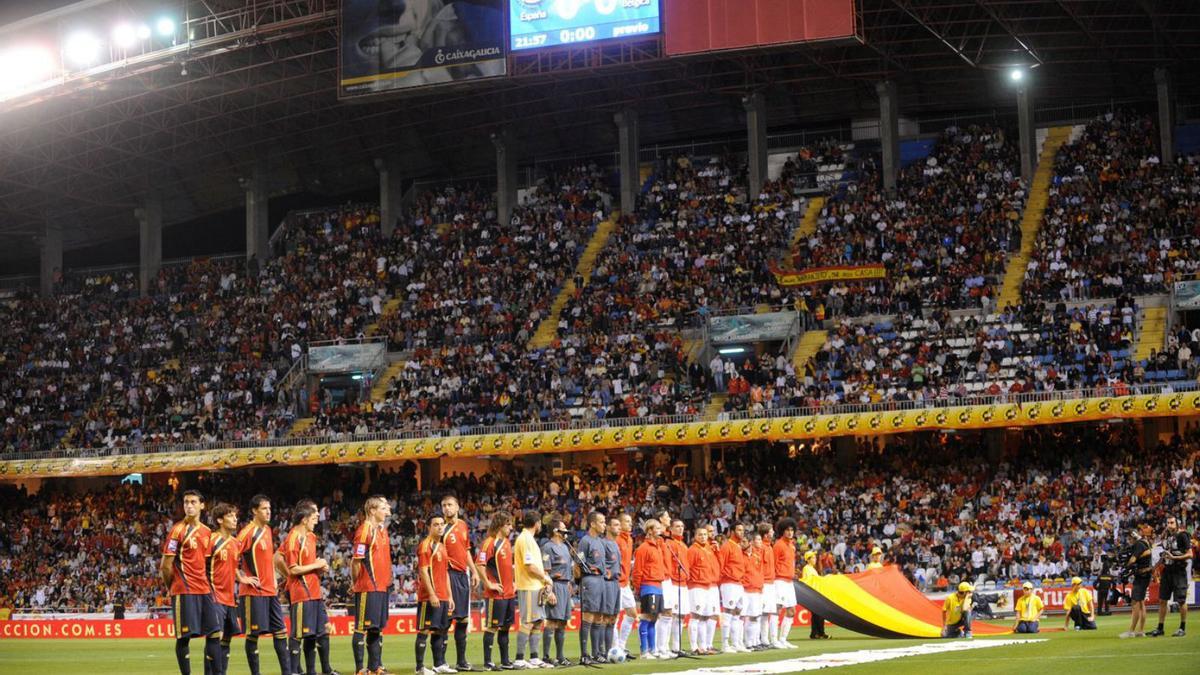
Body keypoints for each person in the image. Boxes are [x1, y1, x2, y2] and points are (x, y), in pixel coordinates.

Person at [161, 489, 221, 675]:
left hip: (204, 591)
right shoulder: (177, 530)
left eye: (193, 502)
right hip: (184, 590)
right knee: (184, 637)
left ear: (202, 505)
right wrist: (171, 586)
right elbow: (166, 565)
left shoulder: (207, 532)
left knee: (214, 634)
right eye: (186, 502)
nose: (189, 505)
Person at [236, 494, 291, 675]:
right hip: (253, 592)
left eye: (269, 508)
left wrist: (274, 578)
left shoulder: (267, 530)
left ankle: (287, 672)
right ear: (254, 511)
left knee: (281, 631)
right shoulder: (247, 532)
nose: (269, 512)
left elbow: (267, 559)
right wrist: (241, 577)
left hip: (270, 591)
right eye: (264, 509)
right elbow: (229, 556)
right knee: (253, 635)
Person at [280, 501, 334, 675]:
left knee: (316, 633)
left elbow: (308, 564)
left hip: (315, 592)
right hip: (301, 592)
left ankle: (313, 671)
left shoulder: (311, 537)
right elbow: (293, 568)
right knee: (298, 635)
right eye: (313, 517)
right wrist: (315, 565)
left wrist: (319, 567)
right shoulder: (292, 538)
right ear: (304, 519)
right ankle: (293, 672)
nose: (316, 520)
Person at [441, 495, 484, 672]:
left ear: (457, 507)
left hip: (462, 575)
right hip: (448, 574)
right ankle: (441, 663)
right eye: (444, 505)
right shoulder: (441, 529)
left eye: (450, 505)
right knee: (446, 620)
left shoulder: (463, 526)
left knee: (463, 619)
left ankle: (461, 661)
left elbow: (466, 551)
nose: (446, 508)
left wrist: (474, 571)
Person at [351, 495, 393, 675]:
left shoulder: (382, 530)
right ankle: (360, 669)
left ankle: (375, 667)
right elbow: (356, 561)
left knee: (377, 627)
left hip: (382, 587)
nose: (386, 512)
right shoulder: (364, 531)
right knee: (362, 627)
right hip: (368, 586)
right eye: (383, 508)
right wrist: (355, 582)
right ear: (372, 510)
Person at [208, 503, 249, 675]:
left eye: (235, 515)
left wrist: (241, 577)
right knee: (215, 636)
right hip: (213, 595)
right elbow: (201, 566)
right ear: (219, 520)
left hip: (230, 597)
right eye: (230, 516)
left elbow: (232, 566)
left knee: (227, 638)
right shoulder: (211, 540)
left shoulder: (235, 543)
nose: (235, 519)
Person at [513, 509, 553, 669]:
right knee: (528, 622)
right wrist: (545, 578)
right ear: (536, 523)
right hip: (529, 586)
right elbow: (530, 566)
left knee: (537, 622)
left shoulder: (528, 538)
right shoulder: (525, 539)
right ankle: (519, 659)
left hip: (535, 586)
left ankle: (534, 657)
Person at [478, 511, 516, 671]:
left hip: (509, 593)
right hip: (496, 594)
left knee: (506, 627)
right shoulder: (489, 543)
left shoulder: (507, 543)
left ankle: (505, 661)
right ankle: (488, 662)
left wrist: (513, 582)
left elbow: (507, 567)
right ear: (500, 525)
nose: (511, 527)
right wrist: (488, 583)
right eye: (508, 524)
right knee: (492, 627)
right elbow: (480, 564)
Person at [415, 515, 453, 675]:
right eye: (435, 524)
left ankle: (439, 664)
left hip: (443, 596)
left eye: (441, 524)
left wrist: (450, 596)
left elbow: (445, 573)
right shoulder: (425, 546)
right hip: (429, 597)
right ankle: (420, 667)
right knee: (424, 630)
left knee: (441, 630)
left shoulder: (442, 546)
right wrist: (432, 594)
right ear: (429, 527)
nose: (439, 527)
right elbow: (423, 571)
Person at [1148, 515, 1192, 637]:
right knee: (1162, 600)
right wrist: (1154, 568)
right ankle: (1160, 628)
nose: (1169, 525)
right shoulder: (1166, 537)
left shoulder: (1183, 535)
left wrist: (1174, 557)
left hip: (1179, 570)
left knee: (1181, 601)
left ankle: (1182, 628)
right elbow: (1164, 554)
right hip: (1167, 571)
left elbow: (1190, 554)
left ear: (1176, 523)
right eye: (1168, 522)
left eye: (1172, 522)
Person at [631, 519, 668, 659]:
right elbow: (637, 570)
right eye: (657, 527)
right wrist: (638, 588)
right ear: (650, 530)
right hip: (648, 585)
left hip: (658, 585)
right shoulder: (643, 548)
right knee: (646, 617)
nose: (661, 530)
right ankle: (644, 651)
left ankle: (653, 650)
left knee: (654, 618)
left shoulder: (658, 547)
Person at [539, 519, 573, 666]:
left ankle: (560, 656)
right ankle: (546, 656)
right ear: (555, 531)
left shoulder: (566, 547)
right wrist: (549, 591)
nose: (566, 531)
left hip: (566, 586)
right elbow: (545, 571)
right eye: (563, 528)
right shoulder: (547, 547)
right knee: (552, 621)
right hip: (555, 585)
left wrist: (570, 583)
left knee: (563, 622)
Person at [575, 512, 608, 665]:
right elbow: (578, 563)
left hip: (601, 580)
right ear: (593, 524)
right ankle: (584, 654)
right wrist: (579, 581)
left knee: (599, 617)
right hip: (590, 580)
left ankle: (596, 653)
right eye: (602, 522)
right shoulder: (585, 541)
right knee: (588, 616)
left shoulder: (601, 542)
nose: (604, 524)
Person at [687, 525, 720, 655]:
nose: (703, 537)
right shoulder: (693, 550)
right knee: (696, 616)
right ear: (695, 537)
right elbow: (688, 568)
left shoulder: (708, 550)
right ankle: (694, 647)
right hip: (697, 586)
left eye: (705, 534)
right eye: (700, 534)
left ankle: (703, 646)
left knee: (705, 617)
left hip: (707, 586)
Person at [718, 522, 749, 653]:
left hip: (738, 584)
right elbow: (721, 565)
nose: (742, 533)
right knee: (728, 612)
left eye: (743, 530)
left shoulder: (738, 547)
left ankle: (735, 642)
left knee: (737, 613)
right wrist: (729, 576)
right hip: (729, 583)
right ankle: (725, 644)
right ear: (732, 531)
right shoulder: (727, 546)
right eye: (739, 530)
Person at [1120, 522, 1154, 639]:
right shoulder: (1145, 542)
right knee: (1141, 603)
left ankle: (1131, 632)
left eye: (1130, 538)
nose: (1129, 541)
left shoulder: (1138, 544)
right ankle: (1141, 631)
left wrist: (1124, 567)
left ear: (1133, 536)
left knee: (1135, 603)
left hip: (1141, 576)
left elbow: (1132, 560)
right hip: (1146, 575)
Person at [664, 518, 690, 656]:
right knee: (671, 614)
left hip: (683, 583)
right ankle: (665, 646)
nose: (680, 529)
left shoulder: (684, 545)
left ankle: (676, 646)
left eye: (682, 526)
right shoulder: (669, 543)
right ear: (671, 529)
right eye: (677, 526)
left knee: (681, 615)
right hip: (674, 583)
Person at [613, 513, 637, 656]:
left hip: (625, 583)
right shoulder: (616, 540)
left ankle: (621, 646)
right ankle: (615, 648)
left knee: (632, 614)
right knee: (615, 617)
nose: (630, 524)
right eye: (627, 522)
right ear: (620, 524)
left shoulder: (630, 540)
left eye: (630, 521)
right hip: (616, 583)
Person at [772, 518, 798, 649]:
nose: (790, 532)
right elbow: (774, 563)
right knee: (777, 609)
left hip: (789, 581)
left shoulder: (792, 546)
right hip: (779, 581)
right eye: (787, 530)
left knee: (792, 610)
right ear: (782, 531)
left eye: (792, 530)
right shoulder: (778, 545)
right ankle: (773, 639)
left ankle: (783, 639)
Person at [601, 517, 623, 660]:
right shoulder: (603, 543)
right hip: (608, 584)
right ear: (608, 527)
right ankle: (601, 651)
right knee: (605, 618)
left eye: (619, 525)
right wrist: (606, 574)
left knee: (613, 619)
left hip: (616, 583)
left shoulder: (615, 544)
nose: (619, 527)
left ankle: (608, 651)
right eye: (616, 525)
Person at [741, 531, 766, 650]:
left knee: (755, 617)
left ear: (750, 543)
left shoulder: (757, 556)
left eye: (744, 541)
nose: (742, 543)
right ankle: (745, 643)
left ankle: (753, 642)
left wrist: (761, 586)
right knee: (743, 616)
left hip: (756, 590)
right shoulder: (740, 555)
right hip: (745, 590)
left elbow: (760, 572)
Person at [757, 524, 779, 650]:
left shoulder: (769, 547)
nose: (773, 532)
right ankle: (761, 639)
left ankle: (766, 639)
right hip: (764, 583)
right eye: (771, 531)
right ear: (766, 534)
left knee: (768, 612)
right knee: (762, 613)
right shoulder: (762, 548)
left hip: (770, 582)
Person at [800, 550, 829, 639]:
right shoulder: (807, 568)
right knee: (818, 614)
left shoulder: (811, 569)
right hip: (813, 593)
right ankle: (818, 633)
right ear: (808, 560)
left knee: (817, 614)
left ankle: (817, 633)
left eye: (815, 557)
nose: (815, 559)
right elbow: (809, 581)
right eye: (813, 557)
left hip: (815, 593)